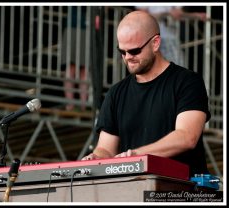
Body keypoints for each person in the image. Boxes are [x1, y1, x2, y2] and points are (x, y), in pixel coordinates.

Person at [82, 11, 211, 177]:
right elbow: (106, 149)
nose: (128, 57)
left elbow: (187, 137)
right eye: (122, 51)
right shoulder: (115, 94)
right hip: (132, 190)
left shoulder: (187, 82)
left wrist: (136, 156)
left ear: (155, 43)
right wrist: (96, 158)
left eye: (134, 51)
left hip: (181, 191)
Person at [61, 6, 88, 111]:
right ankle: (70, 105)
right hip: (73, 25)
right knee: (71, 66)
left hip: (87, 27)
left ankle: (83, 106)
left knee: (84, 69)